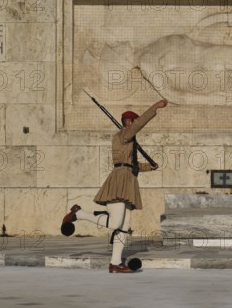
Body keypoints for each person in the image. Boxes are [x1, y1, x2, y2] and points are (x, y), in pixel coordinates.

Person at [61, 99, 168, 273]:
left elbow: (132, 165)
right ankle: (78, 214)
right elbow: (139, 125)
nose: (132, 124)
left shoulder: (128, 141)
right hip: (119, 182)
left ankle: (115, 263)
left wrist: (150, 167)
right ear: (128, 123)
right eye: (131, 122)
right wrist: (155, 107)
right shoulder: (123, 136)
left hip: (128, 180)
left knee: (123, 227)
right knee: (115, 223)